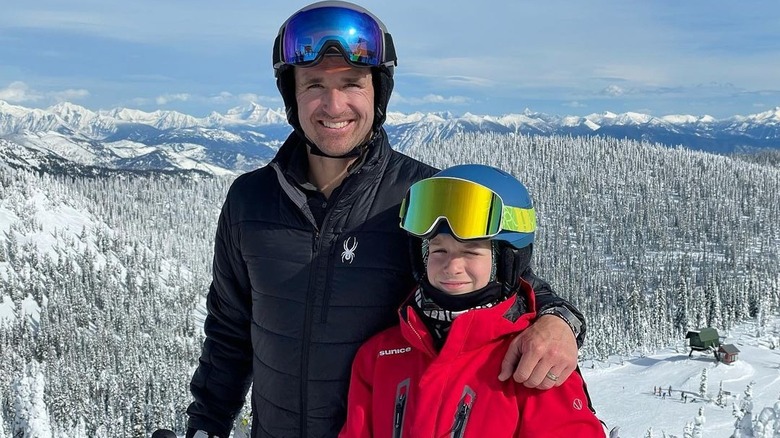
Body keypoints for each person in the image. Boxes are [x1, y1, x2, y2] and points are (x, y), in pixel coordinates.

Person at [184, 2, 586, 437]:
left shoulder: (421, 197)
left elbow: (506, 278)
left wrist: (559, 321)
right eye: (314, 84)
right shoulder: (250, 200)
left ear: (378, 93)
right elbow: (229, 329)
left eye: (352, 83)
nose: (333, 104)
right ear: (291, 95)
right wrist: (206, 425)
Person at [338, 164, 605, 437]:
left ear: (506, 260)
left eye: (471, 252)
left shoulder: (534, 361)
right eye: (438, 249)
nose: (452, 266)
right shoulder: (379, 356)